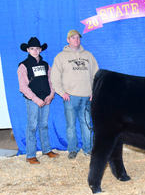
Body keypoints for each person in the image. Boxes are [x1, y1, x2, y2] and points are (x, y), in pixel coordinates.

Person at [51, 30, 99, 159]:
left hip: (86, 97)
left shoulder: (89, 56)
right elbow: (55, 77)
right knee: (71, 125)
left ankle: (88, 149)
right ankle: (72, 149)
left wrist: (94, 91)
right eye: (73, 38)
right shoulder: (60, 57)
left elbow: (96, 75)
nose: (76, 40)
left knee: (87, 124)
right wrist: (62, 92)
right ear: (68, 40)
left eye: (78, 38)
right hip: (70, 97)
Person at [18, 37, 59, 164]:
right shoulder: (23, 65)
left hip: (46, 99)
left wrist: (51, 95)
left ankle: (46, 149)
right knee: (32, 126)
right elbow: (23, 87)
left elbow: (52, 81)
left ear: (40, 50)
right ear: (27, 50)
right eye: (32, 49)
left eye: (37, 48)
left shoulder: (46, 65)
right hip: (33, 100)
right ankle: (30, 154)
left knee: (44, 125)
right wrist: (36, 99)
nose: (35, 51)